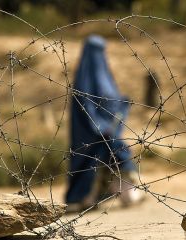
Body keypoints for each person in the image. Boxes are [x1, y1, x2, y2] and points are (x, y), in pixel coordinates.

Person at [65, 35, 143, 212]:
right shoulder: (84, 81)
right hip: (88, 132)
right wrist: (98, 125)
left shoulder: (104, 76)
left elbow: (112, 100)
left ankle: (116, 194)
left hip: (107, 130)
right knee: (88, 160)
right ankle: (81, 198)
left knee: (116, 156)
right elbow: (85, 106)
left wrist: (122, 105)